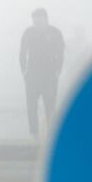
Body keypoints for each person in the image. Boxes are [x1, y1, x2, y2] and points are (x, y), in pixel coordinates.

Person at [19, 8, 64, 139]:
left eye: (39, 19)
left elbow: (60, 53)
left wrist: (58, 71)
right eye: (34, 20)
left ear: (45, 18)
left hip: (50, 74)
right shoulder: (28, 32)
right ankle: (34, 133)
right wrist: (24, 72)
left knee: (50, 104)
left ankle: (51, 133)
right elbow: (22, 53)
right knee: (31, 104)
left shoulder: (55, 32)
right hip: (32, 73)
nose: (36, 22)